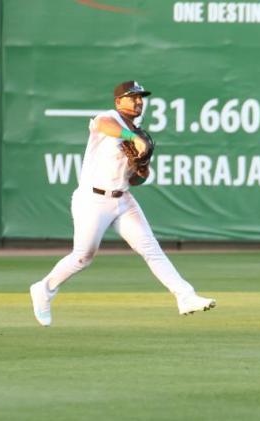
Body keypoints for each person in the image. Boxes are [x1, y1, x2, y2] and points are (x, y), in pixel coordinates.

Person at [30, 80, 215, 326]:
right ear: (118, 102)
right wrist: (131, 137)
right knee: (83, 256)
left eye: (140, 97)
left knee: (150, 248)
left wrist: (142, 166)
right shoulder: (109, 119)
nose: (138, 101)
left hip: (123, 199)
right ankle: (44, 289)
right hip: (92, 199)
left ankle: (185, 296)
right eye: (132, 96)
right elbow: (101, 124)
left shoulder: (139, 133)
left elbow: (137, 179)